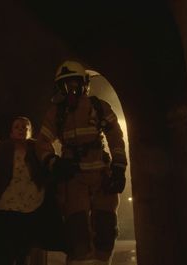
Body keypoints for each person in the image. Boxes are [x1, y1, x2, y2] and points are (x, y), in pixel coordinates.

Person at [36, 60, 128, 265]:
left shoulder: (99, 107)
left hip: (102, 176)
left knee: (105, 228)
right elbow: (42, 142)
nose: (71, 90)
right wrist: (53, 162)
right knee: (77, 231)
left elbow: (116, 137)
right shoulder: (56, 113)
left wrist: (119, 167)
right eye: (66, 85)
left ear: (84, 84)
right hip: (72, 178)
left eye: (75, 84)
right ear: (60, 88)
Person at [0, 116, 50, 265]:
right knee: (5, 244)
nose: (21, 129)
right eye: (17, 127)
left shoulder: (36, 149)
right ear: (11, 132)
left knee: (24, 246)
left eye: (25, 127)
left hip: (29, 202)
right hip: (6, 201)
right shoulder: (2, 148)